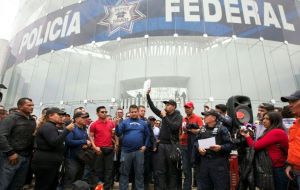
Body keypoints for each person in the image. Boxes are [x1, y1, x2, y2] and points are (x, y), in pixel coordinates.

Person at [240, 111, 289, 190]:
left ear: (274, 120)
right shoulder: (270, 131)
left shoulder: (276, 132)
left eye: (267, 119)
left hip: (276, 168)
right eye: (264, 118)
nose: (264, 121)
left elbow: (255, 146)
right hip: (272, 168)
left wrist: (247, 136)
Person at [146, 89, 183, 190]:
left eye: (168, 105)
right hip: (161, 146)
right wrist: (147, 95)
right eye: (165, 104)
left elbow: (174, 127)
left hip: (172, 146)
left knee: (172, 171)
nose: (165, 106)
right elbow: (153, 107)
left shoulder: (178, 116)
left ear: (174, 107)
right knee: (160, 170)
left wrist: (165, 117)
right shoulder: (163, 115)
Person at [31, 107, 74, 190]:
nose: (62, 117)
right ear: (50, 116)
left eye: (63, 115)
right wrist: (67, 130)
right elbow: (54, 142)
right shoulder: (48, 126)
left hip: (50, 163)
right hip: (45, 163)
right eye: (59, 115)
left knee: (51, 185)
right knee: (43, 186)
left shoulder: (52, 126)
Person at [0, 98, 36, 190]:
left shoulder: (32, 120)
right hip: (11, 156)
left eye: (32, 105)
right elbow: (1, 136)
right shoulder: (11, 118)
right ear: (20, 106)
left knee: (18, 184)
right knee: (4, 184)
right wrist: (10, 153)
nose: (32, 107)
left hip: (26, 157)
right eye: (28, 105)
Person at [194, 109, 233, 190]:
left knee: (221, 186)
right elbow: (196, 142)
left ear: (214, 118)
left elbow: (230, 145)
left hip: (218, 163)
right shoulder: (202, 129)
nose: (204, 117)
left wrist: (220, 147)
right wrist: (199, 148)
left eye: (206, 115)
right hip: (204, 163)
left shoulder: (223, 129)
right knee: (204, 186)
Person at [116, 105, 150, 190]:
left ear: (138, 112)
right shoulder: (124, 122)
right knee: (124, 173)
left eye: (135, 112)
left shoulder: (143, 123)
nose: (134, 113)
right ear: (129, 113)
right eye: (132, 112)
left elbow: (148, 135)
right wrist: (116, 125)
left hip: (139, 152)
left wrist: (145, 146)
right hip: (126, 151)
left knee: (139, 173)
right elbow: (118, 134)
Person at [90, 106, 117, 190]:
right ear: (97, 113)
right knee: (97, 171)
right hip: (99, 150)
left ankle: (107, 188)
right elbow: (91, 136)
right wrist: (94, 147)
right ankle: (98, 188)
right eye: (102, 112)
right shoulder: (94, 124)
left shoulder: (111, 123)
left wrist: (116, 144)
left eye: (105, 112)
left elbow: (114, 135)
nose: (104, 113)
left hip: (109, 149)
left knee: (109, 171)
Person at [63, 112, 91, 189]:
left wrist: (87, 144)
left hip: (81, 158)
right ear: (76, 119)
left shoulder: (83, 129)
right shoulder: (72, 128)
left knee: (78, 181)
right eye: (83, 117)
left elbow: (87, 140)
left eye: (86, 117)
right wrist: (84, 142)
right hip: (71, 159)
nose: (85, 119)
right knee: (70, 179)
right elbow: (69, 141)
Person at [180, 101, 203, 190]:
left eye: (188, 107)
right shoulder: (184, 119)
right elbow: (181, 130)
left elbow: (201, 130)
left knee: (197, 168)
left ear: (192, 108)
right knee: (186, 169)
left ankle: (199, 187)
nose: (187, 109)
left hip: (194, 146)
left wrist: (190, 130)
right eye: (185, 108)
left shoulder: (198, 118)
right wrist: (180, 137)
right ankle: (186, 187)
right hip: (184, 145)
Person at [281, 90, 300, 189]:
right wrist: (290, 164)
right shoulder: (295, 124)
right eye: (289, 103)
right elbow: (295, 146)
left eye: (293, 102)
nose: (290, 105)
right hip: (295, 171)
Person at [138, 105, 156, 190]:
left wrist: (154, 145)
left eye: (144, 111)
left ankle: (145, 186)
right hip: (136, 149)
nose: (143, 112)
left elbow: (151, 135)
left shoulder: (147, 122)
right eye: (141, 110)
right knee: (137, 168)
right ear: (137, 111)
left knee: (146, 169)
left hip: (147, 149)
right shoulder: (134, 121)